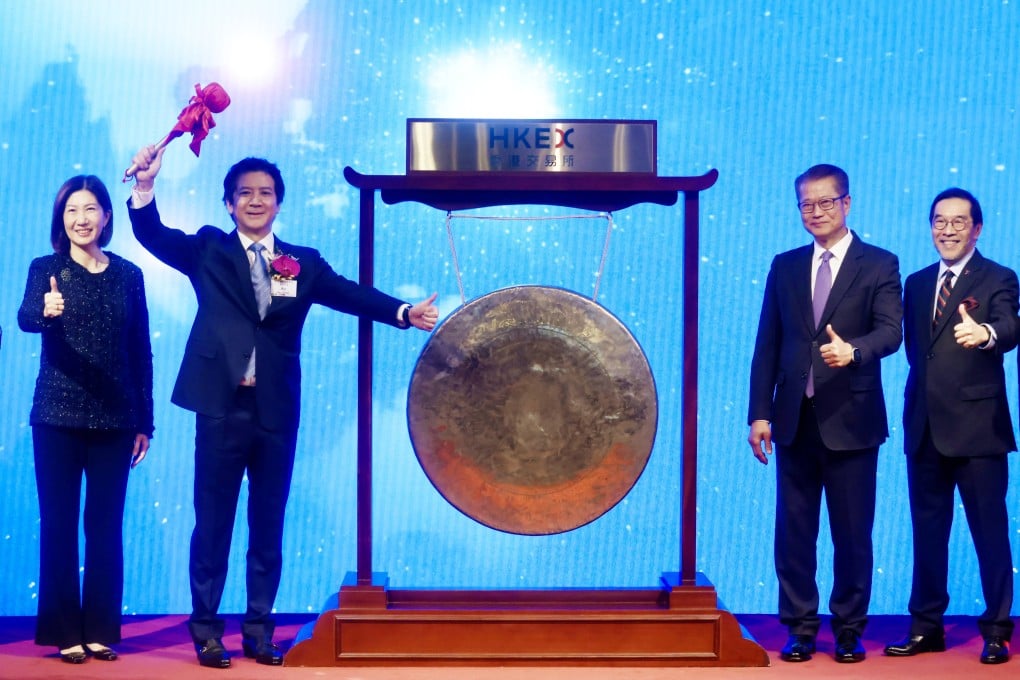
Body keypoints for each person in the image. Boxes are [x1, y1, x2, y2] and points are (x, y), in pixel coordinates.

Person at [126, 145, 439, 669]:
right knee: (213, 525)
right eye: (245, 193)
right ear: (229, 203)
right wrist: (145, 186)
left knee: (267, 525)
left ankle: (258, 631)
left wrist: (404, 312)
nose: (256, 201)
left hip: (275, 411)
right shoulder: (207, 249)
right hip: (220, 407)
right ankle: (206, 632)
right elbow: (153, 234)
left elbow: (348, 294)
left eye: (265, 193)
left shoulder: (302, 262)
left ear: (278, 203)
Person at [747, 164, 903, 663]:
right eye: (806, 204)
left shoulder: (879, 264)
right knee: (794, 533)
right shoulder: (785, 266)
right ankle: (800, 628)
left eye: (826, 202)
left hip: (852, 419)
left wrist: (853, 351)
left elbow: (891, 332)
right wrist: (759, 413)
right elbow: (768, 343)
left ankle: (849, 629)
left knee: (852, 534)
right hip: (794, 419)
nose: (816, 212)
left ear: (846, 203)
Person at [17, 175, 153, 664]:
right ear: (62, 219)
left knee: (105, 526)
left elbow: (140, 351)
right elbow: (26, 318)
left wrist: (146, 422)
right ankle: (64, 631)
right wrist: (46, 310)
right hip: (56, 416)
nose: (81, 218)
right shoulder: (46, 269)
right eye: (72, 210)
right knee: (58, 524)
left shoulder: (129, 274)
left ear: (107, 216)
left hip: (116, 419)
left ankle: (99, 628)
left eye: (91, 208)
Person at [883, 188, 1017, 665]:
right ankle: (926, 628)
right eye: (940, 221)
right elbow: (917, 352)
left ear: (977, 229)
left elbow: (1011, 327)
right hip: (925, 426)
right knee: (927, 533)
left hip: (978, 429)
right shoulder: (918, 283)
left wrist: (987, 334)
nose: (948, 230)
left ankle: (997, 630)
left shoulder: (998, 277)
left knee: (990, 533)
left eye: (959, 222)